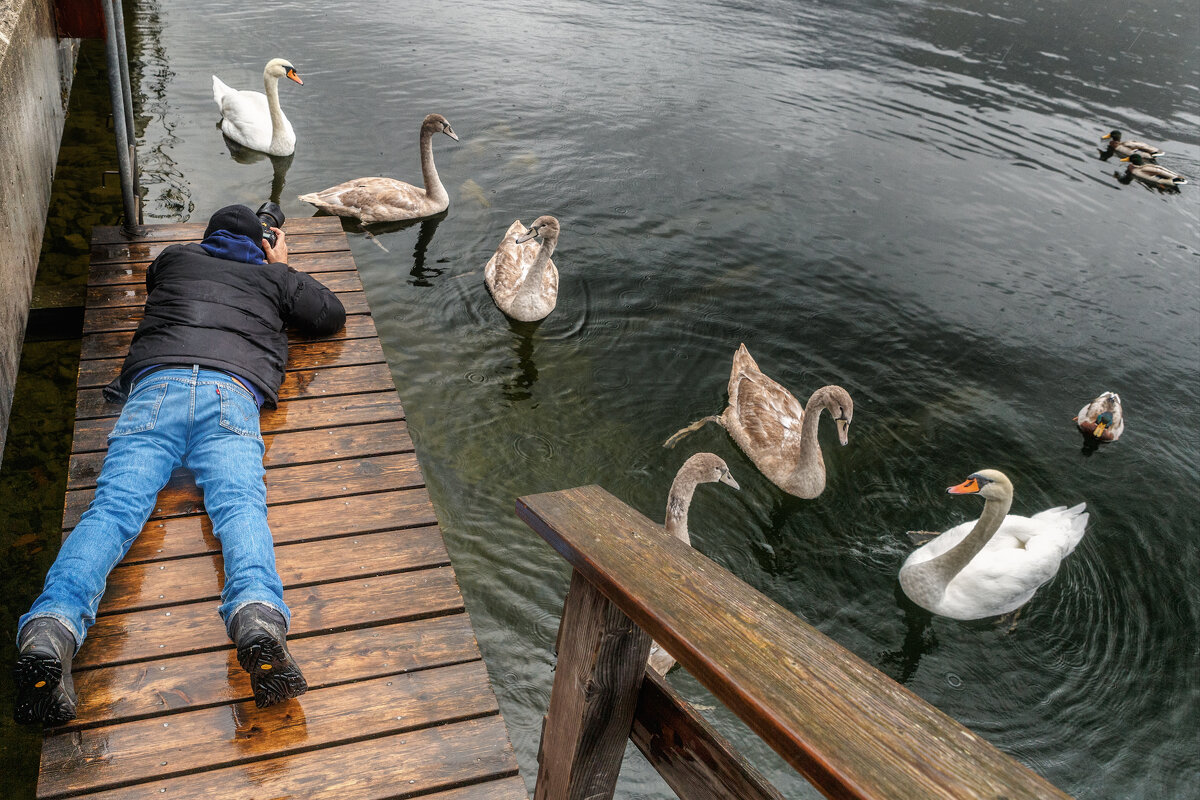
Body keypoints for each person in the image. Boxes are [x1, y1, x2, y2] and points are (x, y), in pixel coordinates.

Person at [12, 204, 346, 724]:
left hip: (156, 387)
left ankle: (52, 626)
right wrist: (280, 266)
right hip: (229, 392)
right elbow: (330, 316)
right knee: (239, 508)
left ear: (207, 238)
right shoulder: (274, 279)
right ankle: (256, 617)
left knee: (114, 510)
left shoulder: (173, 259)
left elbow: (159, 281)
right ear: (262, 245)